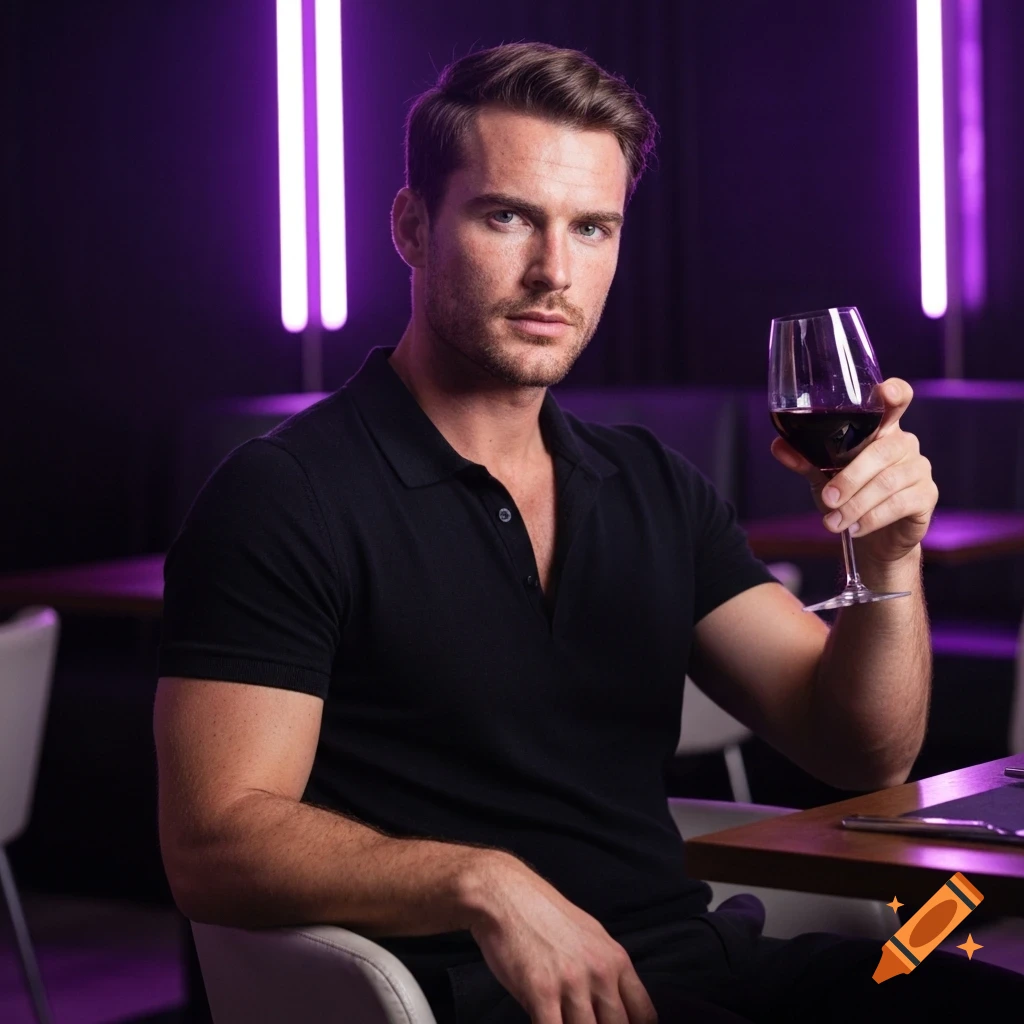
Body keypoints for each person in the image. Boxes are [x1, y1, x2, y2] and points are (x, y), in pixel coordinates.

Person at [153, 41, 1022, 1023]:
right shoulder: (286, 494)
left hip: (695, 968)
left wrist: (888, 555)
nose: (553, 271)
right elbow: (213, 841)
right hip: (479, 997)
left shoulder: (649, 482)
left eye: (592, 228)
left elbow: (859, 750)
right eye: (507, 216)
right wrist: (481, 881)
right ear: (411, 226)